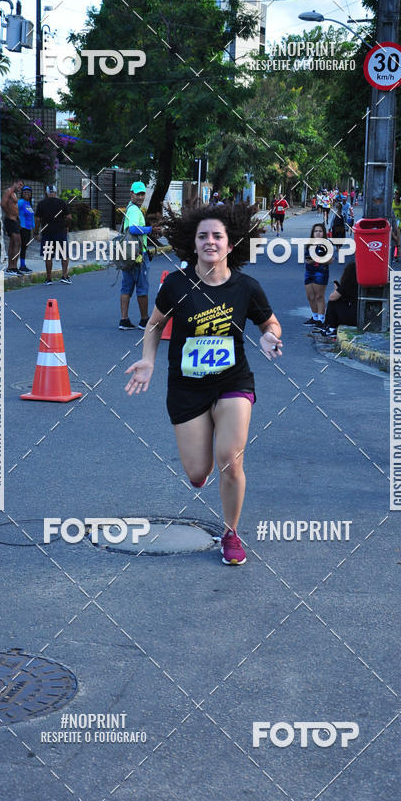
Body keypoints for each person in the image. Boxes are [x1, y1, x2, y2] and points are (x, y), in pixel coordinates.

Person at [124, 202, 283, 565]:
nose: (210, 241)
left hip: (233, 382)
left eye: (217, 236)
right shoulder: (177, 284)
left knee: (230, 461)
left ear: (230, 244)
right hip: (186, 387)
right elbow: (154, 324)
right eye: (203, 236)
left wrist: (270, 336)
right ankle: (201, 469)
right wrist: (148, 360)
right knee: (198, 472)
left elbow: (270, 323)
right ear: (193, 244)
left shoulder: (246, 287)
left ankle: (231, 533)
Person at [119, 180, 155, 330]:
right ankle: (144, 320)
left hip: (128, 254)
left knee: (126, 287)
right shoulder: (134, 210)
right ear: (131, 194)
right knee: (142, 288)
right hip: (138, 255)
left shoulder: (130, 208)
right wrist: (149, 229)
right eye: (138, 194)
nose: (140, 197)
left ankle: (124, 320)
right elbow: (133, 229)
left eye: (142, 194)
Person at [34, 185, 72, 285]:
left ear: (46, 193)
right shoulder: (61, 202)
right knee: (64, 255)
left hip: (47, 233)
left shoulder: (41, 203)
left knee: (48, 256)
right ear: (55, 192)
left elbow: (37, 219)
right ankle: (64, 276)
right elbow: (69, 217)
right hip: (60, 232)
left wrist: (36, 232)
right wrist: (66, 227)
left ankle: (48, 278)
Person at [316, 261, 358, 339]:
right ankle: (329, 326)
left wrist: (337, 289)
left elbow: (332, 297)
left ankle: (331, 327)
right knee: (337, 301)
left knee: (333, 302)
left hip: (352, 319)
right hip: (360, 317)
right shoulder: (360, 284)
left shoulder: (347, 284)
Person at [303, 223, 330, 328]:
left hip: (321, 272)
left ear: (323, 233)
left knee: (319, 296)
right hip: (309, 271)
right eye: (315, 231)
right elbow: (307, 258)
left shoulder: (326, 244)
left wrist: (315, 259)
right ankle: (314, 318)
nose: (318, 233)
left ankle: (321, 320)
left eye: (320, 231)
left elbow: (329, 260)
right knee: (310, 296)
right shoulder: (309, 244)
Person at [0, 179, 23, 276]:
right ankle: (12, 267)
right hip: (10, 220)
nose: (20, 187)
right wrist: (9, 214)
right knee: (17, 242)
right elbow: (3, 204)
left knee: (14, 243)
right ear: (15, 183)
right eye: (20, 185)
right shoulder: (8, 191)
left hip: (15, 221)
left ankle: (12, 267)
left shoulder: (14, 194)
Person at [17, 185, 35, 274]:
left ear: (31, 194)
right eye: (25, 192)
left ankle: (23, 265)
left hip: (28, 228)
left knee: (25, 247)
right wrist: (18, 223)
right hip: (22, 227)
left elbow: (32, 217)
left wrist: (34, 228)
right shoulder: (21, 202)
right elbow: (14, 211)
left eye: (28, 192)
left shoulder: (29, 203)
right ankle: (22, 265)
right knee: (22, 246)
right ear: (22, 194)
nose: (26, 194)